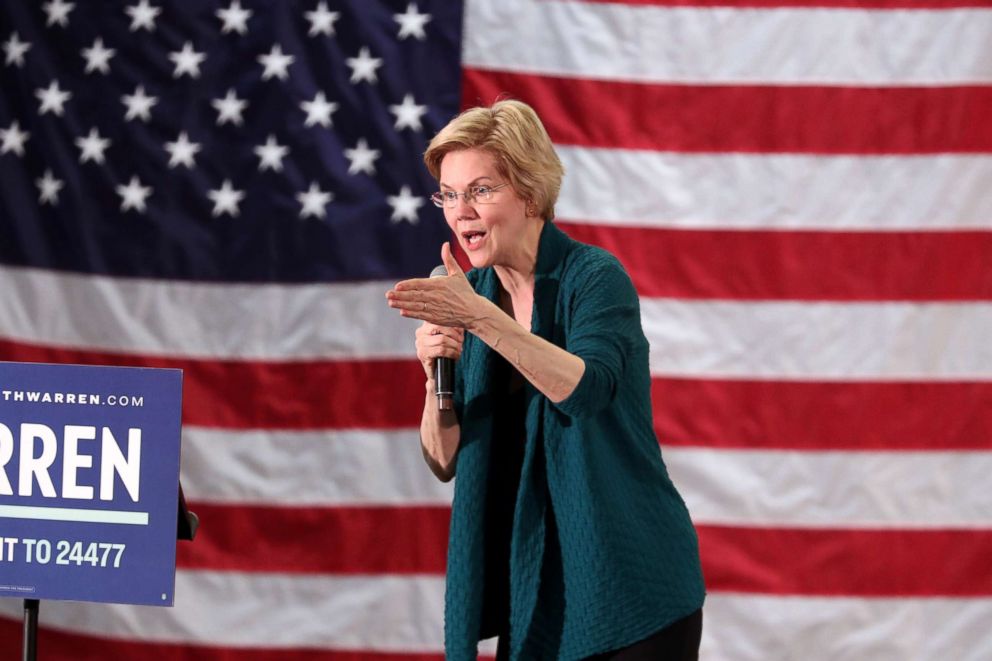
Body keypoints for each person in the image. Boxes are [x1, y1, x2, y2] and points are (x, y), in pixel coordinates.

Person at [385, 99, 705, 660]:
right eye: (450, 194)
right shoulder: (476, 296)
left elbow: (583, 390)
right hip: (534, 588)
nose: (462, 211)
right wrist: (435, 383)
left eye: (480, 190)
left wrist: (480, 319)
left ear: (530, 193)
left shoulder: (594, 279)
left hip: (633, 585)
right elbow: (443, 461)